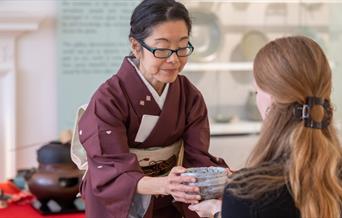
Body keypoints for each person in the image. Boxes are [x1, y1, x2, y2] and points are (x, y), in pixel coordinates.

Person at [71, 0, 227, 217]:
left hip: (171, 198)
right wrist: (164, 184)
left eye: (182, 48)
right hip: (122, 199)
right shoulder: (109, 99)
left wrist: (218, 178)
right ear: (136, 46)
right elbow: (110, 169)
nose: (174, 60)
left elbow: (197, 157)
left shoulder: (189, 95)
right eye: (162, 49)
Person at [188, 36, 342, 218]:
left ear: (272, 101)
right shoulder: (334, 178)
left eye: (256, 91)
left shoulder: (247, 192)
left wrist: (225, 210)